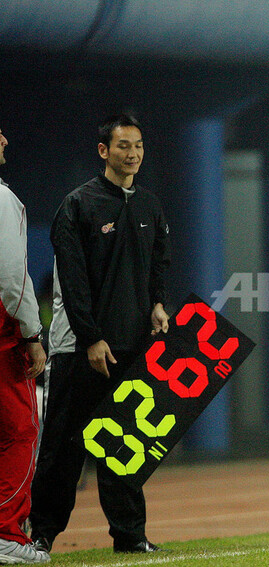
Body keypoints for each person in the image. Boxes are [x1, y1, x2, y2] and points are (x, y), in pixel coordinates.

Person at [28, 114, 170, 555]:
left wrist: (157, 305)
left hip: (131, 346)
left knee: (125, 445)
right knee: (63, 448)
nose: (133, 154)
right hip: (79, 348)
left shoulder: (149, 206)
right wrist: (90, 338)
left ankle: (130, 535)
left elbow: (157, 267)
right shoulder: (77, 205)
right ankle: (41, 535)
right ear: (104, 151)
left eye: (139, 146)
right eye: (124, 146)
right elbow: (71, 281)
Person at [0, 127, 50, 564]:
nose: (4, 140)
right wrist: (32, 334)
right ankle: (6, 534)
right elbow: (12, 275)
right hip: (2, 339)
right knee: (20, 430)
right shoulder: (2, 199)